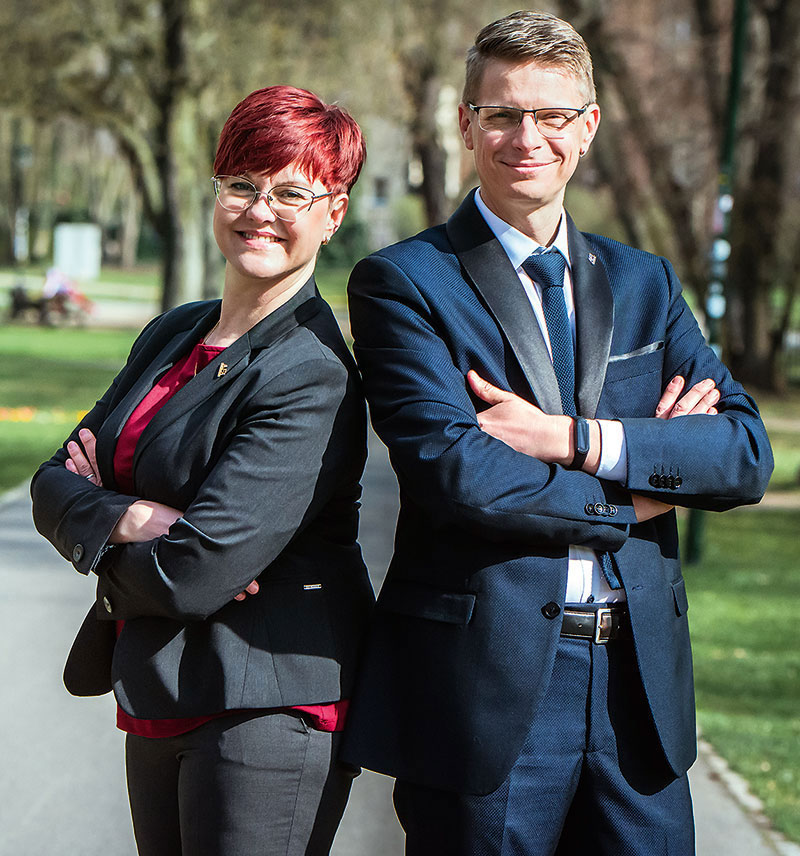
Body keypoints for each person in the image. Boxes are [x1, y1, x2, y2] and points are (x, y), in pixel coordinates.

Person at [341, 11, 773, 855]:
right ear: (466, 124)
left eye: (551, 115)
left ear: (589, 127)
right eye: (501, 113)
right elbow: (457, 476)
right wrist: (641, 492)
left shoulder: (647, 282)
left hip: (639, 698)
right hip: (482, 696)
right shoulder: (403, 283)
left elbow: (744, 455)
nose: (525, 137)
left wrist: (576, 439)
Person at [31, 85, 373, 856]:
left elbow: (198, 570)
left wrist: (103, 514)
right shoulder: (175, 332)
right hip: (162, 689)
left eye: (291, 192)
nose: (260, 210)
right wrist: (128, 516)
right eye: (242, 184)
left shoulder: (310, 371)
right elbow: (53, 480)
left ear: (334, 213)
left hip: (266, 710)